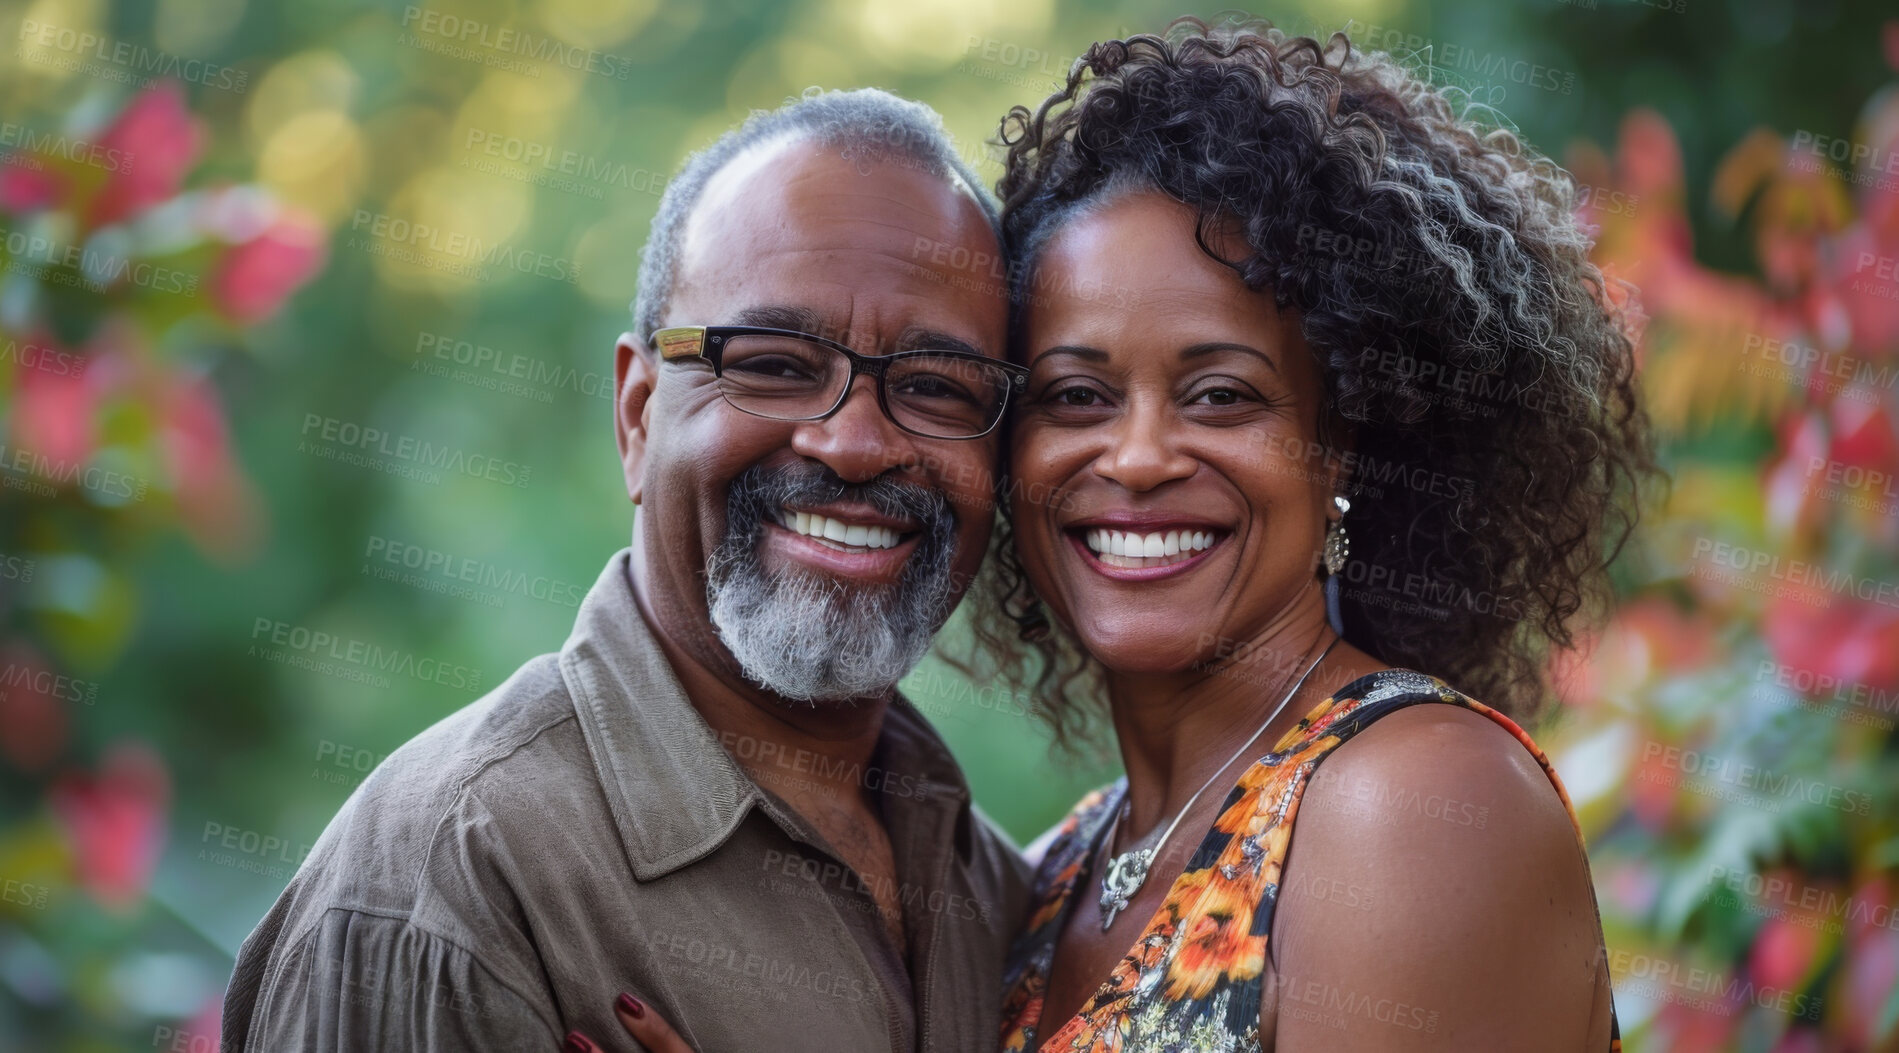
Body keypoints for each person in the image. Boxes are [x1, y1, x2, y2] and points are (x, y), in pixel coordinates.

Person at [593, 18, 1652, 1053]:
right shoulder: (1050, 877)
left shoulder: (1407, 805)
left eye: (1222, 395)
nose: (1138, 458)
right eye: (1077, 396)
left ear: (1342, 446)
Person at [220, 88, 1033, 1053]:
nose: (854, 443)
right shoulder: (451, 883)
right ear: (638, 415)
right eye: (773, 364)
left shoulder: (1010, 895)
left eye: (936, 387)